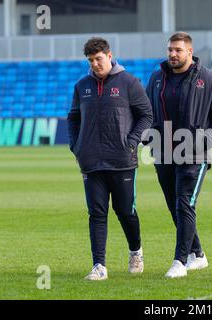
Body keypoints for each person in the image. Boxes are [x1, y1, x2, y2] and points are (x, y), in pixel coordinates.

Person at [145, 31, 212, 278]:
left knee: (184, 203)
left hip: (195, 154)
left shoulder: (210, 80)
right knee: (176, 207)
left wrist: (206, 141)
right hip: (163, 152)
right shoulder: (156, 78)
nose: (172, 54)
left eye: (178, 50)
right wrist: (148, 135)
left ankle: (179, 261)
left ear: (190, 52)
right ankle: (198, 254)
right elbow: (146, 112)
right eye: (170, 49)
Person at [67, 37, 153, 280]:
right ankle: (99, 266)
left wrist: (133, 140)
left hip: (122, 160)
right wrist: (76, 146)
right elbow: (73, 117)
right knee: (96, 213)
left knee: (125, 211)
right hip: (91, 161)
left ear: (109, 55)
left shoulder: (128, 82)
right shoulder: (82, 86)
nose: (95, 64)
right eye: (91, 60)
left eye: (99, 58)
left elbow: (146, 115)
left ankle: (136, 251)